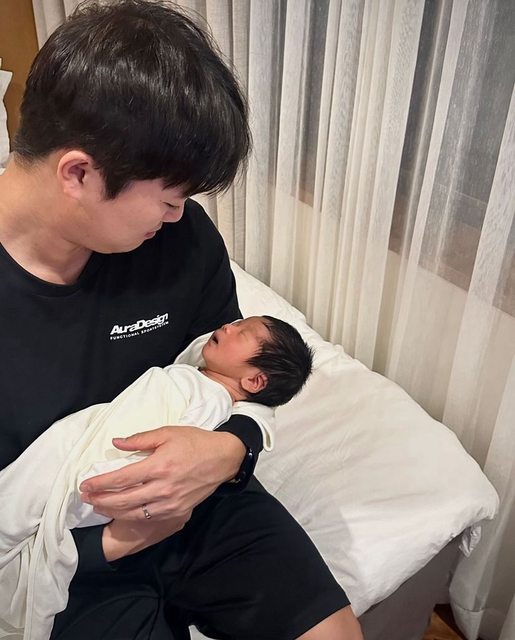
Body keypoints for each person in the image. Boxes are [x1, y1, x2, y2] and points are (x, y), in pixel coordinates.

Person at [0, 1, 363, 638]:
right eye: (169, 200)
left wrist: (228, 450)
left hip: (200, 496)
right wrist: (110, 545)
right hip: (62, 546)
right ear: (79, 173)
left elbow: (242, 379)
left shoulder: (182, 241)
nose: (177, 217)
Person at [0, 315, 314, 639]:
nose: (229, 326)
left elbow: (163, 457)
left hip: (95, 472)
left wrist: (94, 480)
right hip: (84, 444)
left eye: (243, 332)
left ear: (255, 381)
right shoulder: (197, 375)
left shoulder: (211, 400)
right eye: (237, 322)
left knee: (18, 508)